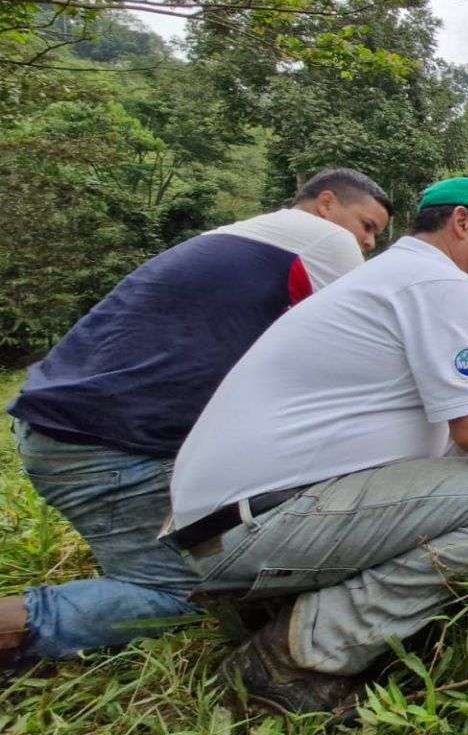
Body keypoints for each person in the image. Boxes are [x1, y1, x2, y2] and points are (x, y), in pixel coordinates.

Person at [164, 178, 468, 717]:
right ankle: (295, 660)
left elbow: (440, 418)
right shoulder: (439, 282)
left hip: (225, 519)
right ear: (461, 222)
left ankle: (285, 603)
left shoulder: (397, 275)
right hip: (257, 523)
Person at [1, 169, 391, 668]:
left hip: (63, 424)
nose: (368, 242)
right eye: (367, 225)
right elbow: (371, 342)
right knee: (189, 597)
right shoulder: (323, 239)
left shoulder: (243, 238)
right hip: (106, 445)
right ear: (327, 203)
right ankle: (26, 623)